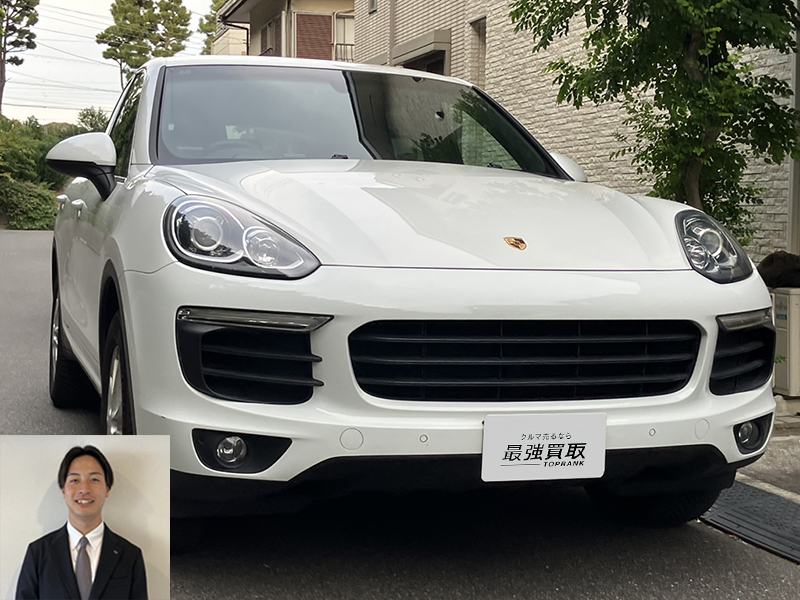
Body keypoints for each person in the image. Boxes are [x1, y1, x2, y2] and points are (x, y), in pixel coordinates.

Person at [16, 446, 148, 600]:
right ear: (63, 491)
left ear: (107, 489)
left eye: (94, 480)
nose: (84, 489)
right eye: (75, 480)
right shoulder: (38, 553)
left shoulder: (130, 556)